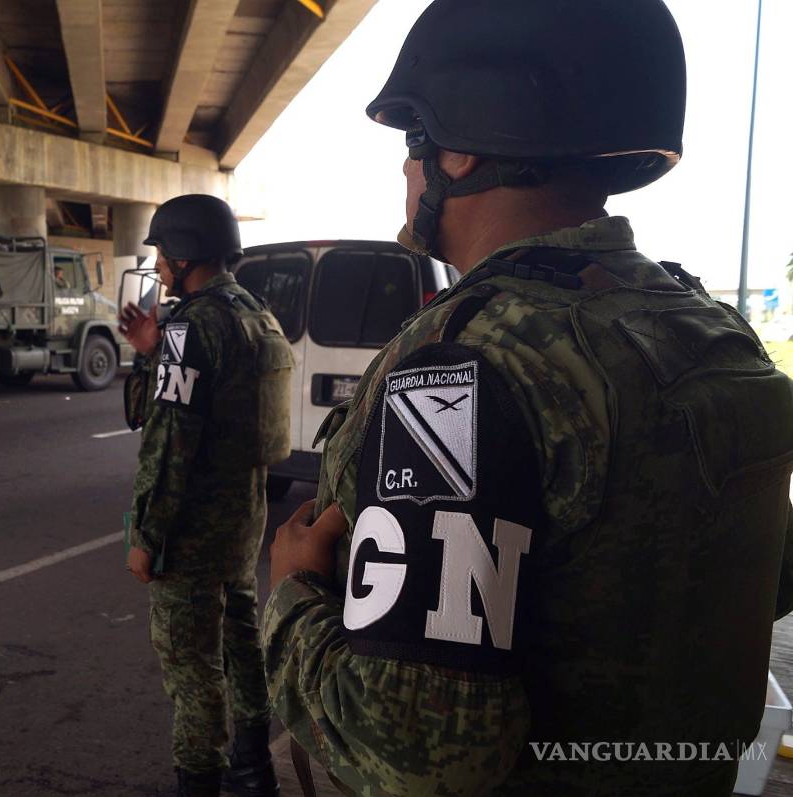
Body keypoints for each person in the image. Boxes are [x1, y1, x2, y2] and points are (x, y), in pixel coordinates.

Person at [262, 1, 793, 796]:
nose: (407, 170)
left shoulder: (467, 360)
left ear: (465, 151)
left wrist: (294, 596)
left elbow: (418, 757)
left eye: (415, 141)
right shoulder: (713, 333)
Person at [119, 194, 294, 797]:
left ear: (185, 253)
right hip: (243, 516)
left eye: (163, 252)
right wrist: (151, 352)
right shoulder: (257, 316)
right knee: (241, 638)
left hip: (191, 527)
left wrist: (146, 536)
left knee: (191, 668)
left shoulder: (190, 328)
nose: (159, 264)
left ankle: (200, 781)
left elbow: (168, 444)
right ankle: (254, 770)